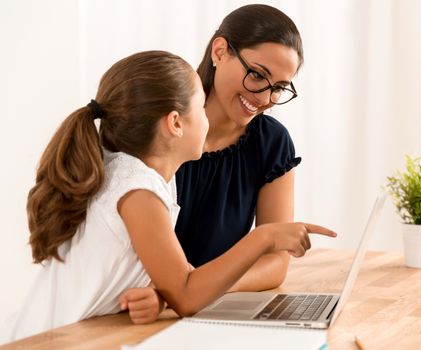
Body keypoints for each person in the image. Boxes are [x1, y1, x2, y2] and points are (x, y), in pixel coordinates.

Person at [1, 50, 335, 344]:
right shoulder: (138, 191)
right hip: (45, 342)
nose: (208, 117)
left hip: (86, 337)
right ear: (175, 123)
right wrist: (264, 237)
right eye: (201, 108)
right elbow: (188, 294)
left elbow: (171, 277)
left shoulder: (150, 180)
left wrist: (159, 295)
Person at [175, 4, 306, 292]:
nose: (265, 98)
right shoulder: (163, 126)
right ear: (219, 52)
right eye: (258, 75)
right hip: (137, 306)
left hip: (207, 307)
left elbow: (276, 263)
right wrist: (178, 291)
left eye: (279, 87)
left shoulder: (271, 143)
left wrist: (201, 288)